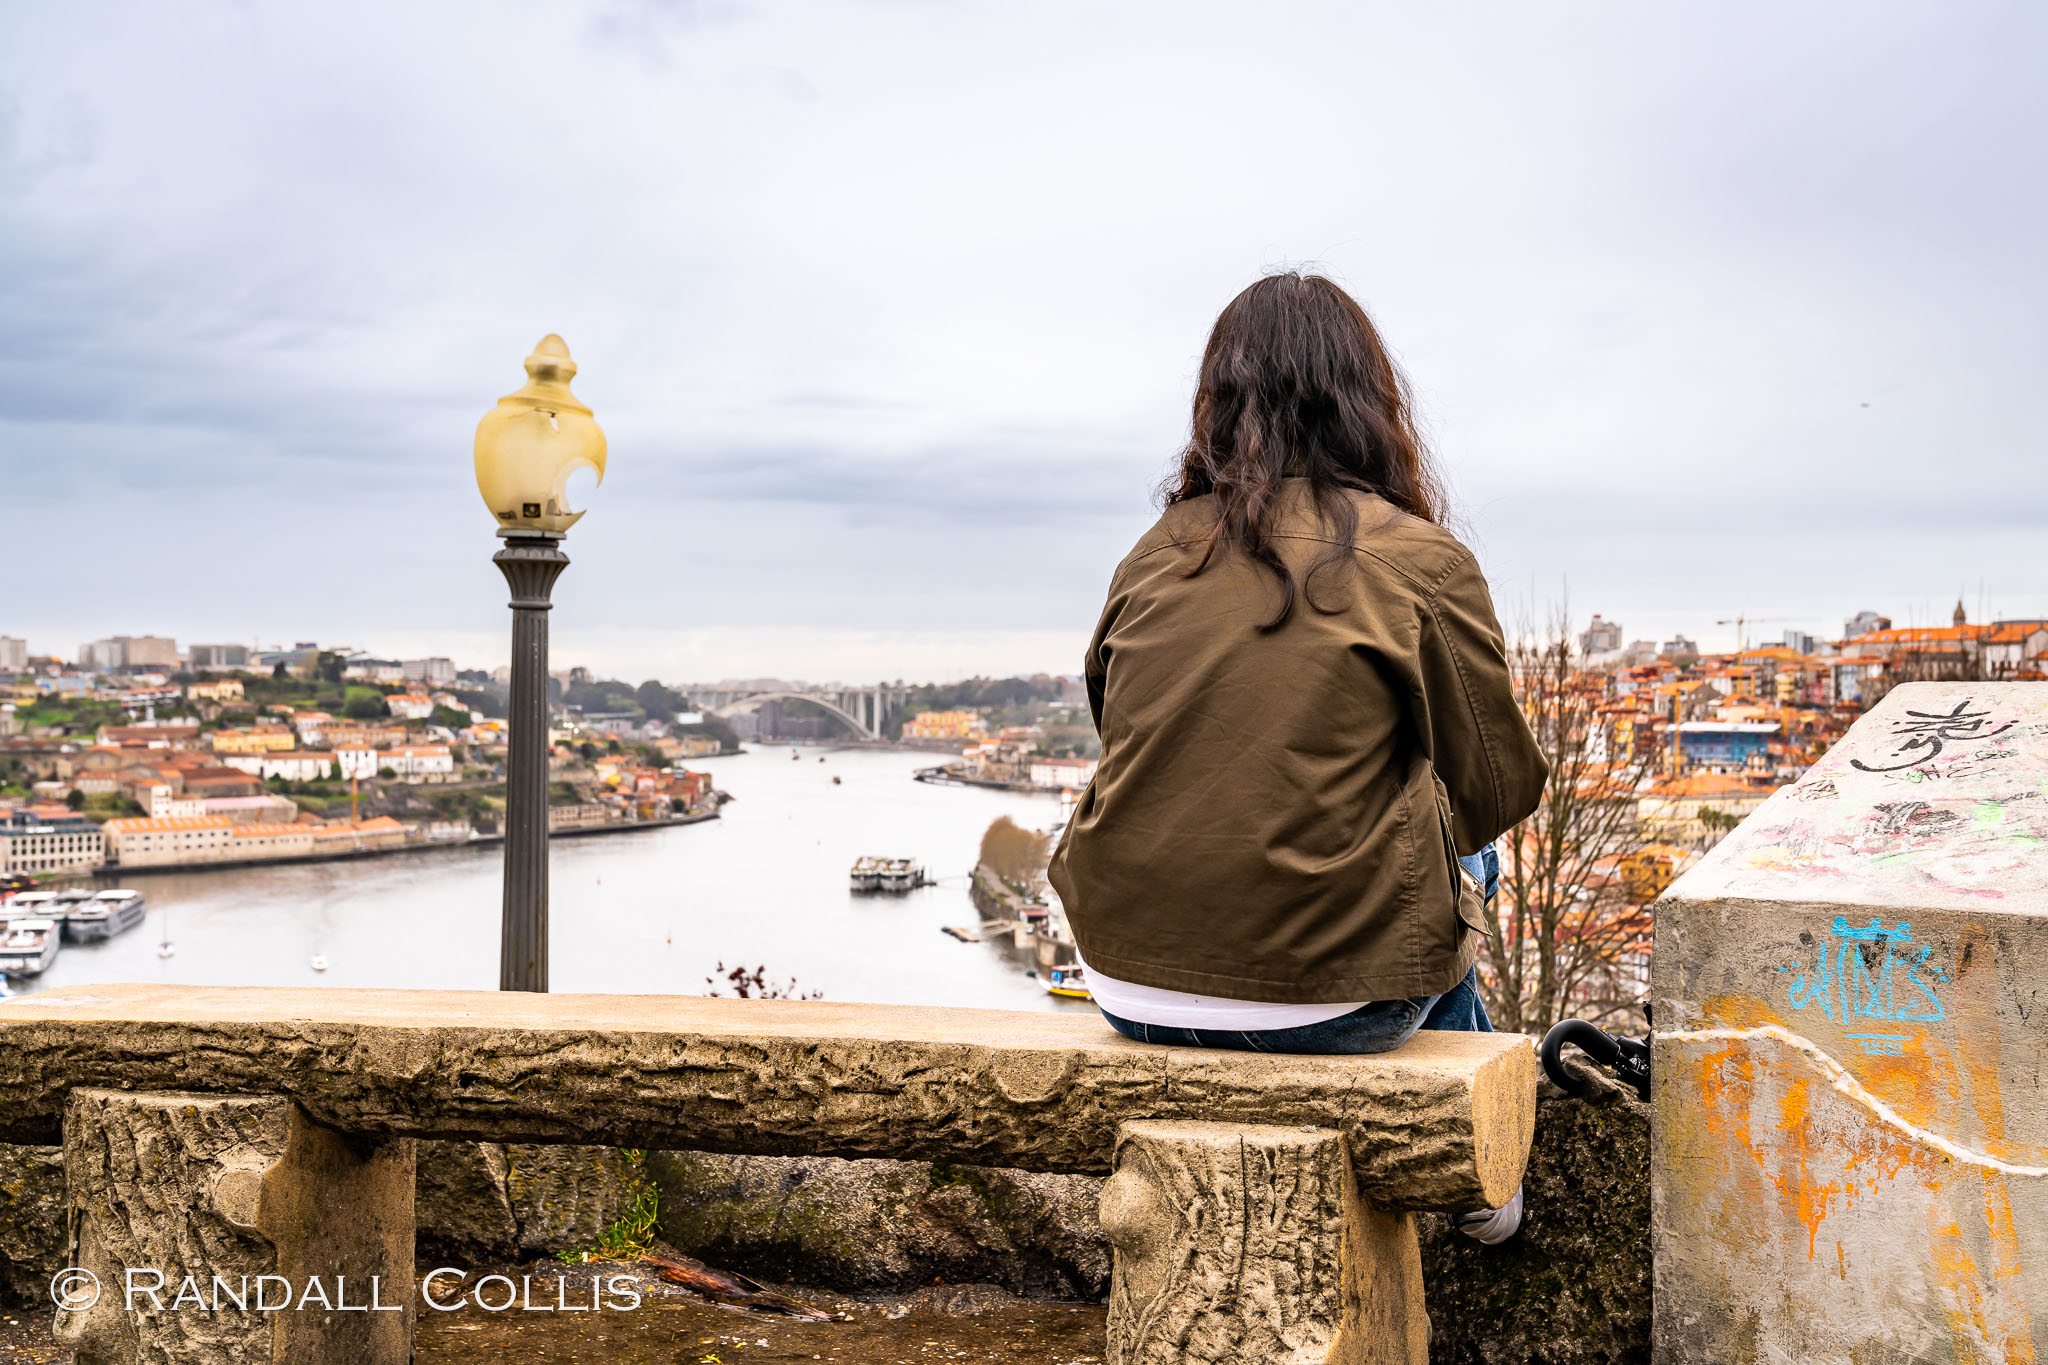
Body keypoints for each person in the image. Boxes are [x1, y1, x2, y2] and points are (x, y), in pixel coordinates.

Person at [1046, 272, 1547, 1243]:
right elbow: (1494, 792)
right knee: (1458, 852)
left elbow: (1126, 737)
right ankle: (1482, 1182)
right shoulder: (1415, 559)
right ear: (1371, 406)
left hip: (1124, 986)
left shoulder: (1154, 552)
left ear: (1214, 408)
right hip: (1332, 1010)